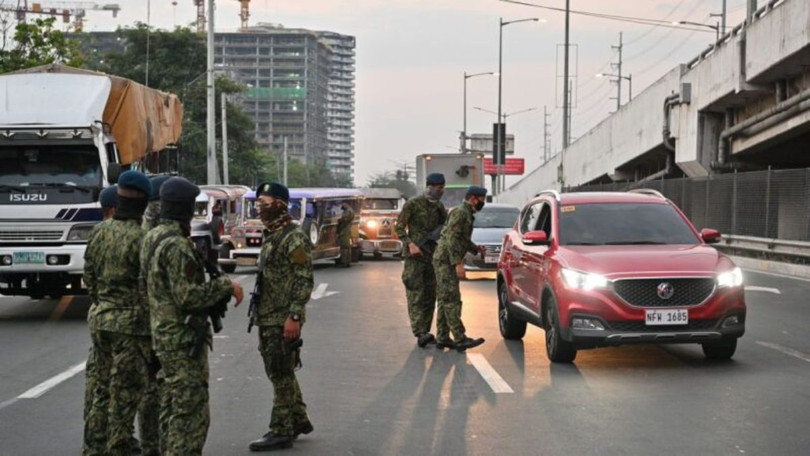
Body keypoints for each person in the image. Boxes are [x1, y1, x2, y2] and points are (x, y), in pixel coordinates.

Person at [140, 177, 244, 456]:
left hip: (163, 334)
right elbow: (188, 296)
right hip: (183, 339)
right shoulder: (176, 245)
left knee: (172, 404)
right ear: (186, 209)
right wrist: (226, 286)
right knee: (191, 412)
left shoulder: (152, 236)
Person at [83, 171, 154, 456]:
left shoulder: (100, 231)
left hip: (100, 319)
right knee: (125, 394)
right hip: (131, 326)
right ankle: (119, 446)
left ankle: (93, 447)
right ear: (144, 204)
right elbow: (148, 288)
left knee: (100, 390)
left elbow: (89, 276)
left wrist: (103, 302)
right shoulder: (143, 238)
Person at [248, 182, 314, 452]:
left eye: (264, 203)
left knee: (280, 373)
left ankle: (281, 430)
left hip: (281, 316)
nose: (259, 208)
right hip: (267, 314)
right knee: (279, 370)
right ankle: (298, 418)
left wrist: (294, 316)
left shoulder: (293, 237)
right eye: (259, 203)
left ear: (280, 204)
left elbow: (304, 279)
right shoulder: (273, 235)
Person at [394, 173, 448, 349]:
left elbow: (445, 226)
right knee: (415, 293)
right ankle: (419, 332)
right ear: (429, 187)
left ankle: (425, 330)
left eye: (442, 188)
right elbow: (399, 227)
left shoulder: (439, 207)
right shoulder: (413, 204)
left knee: (430, 295)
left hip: (431, 255)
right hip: (415, 256)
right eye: (438, 188)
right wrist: (410, 244)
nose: (440, 192)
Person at [432, 186, 487, 352]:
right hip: (446, 260)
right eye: (482, 200)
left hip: (444, 258)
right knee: (451, 299)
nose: (483, 203)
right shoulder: (461, 213)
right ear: (473, 199)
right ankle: (460, 338)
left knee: (444, 299)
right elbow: (452, 239)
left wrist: (476, 249)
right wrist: (458, 263)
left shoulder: (465, 213)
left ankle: (442, 337)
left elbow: (461, 238)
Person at [336, 202, 354, 268]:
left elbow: (344, 220)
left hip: (344, 231)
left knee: (344, 247)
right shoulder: (349, 211)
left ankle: (344, 261)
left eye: (342, 204)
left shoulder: (348, 211)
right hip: (346, 230)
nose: (341, 206)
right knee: (346, 247)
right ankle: (347, 261)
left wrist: (339, 221)